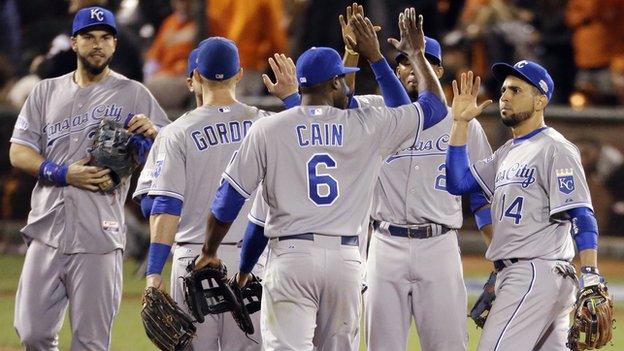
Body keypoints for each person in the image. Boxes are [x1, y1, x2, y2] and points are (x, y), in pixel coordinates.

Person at [196, 9, 449, 350]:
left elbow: (229, 198)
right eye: (343, 77)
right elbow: (433, 108)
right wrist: (400, 55)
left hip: (290, 257)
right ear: (333, 84)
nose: (347, 82)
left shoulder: (269, 128)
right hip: (345, 261)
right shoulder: (366, 126)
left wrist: (211, 251)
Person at [9, 7, 169, 350]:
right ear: (74, 43)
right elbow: (18, 152)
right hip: (47, 229)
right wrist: (63, 172)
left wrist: (154, 133)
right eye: (89, 37)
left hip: (100, 234)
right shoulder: (44, 92)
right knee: (32, 333)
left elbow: (172, 144)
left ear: (113, 44)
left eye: (105, 38)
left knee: (91, 342)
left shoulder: (135, 94)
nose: (98, 45)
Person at [135, 37, 299, 350]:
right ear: (239, 74)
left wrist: (154, 271)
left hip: (193, 260)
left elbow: (165, 206)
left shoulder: (175, 134)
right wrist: (292, 98)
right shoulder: (264, 125)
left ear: (195, 77)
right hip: (250, 261)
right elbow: (307, 141)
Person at [346, 31, 493, 351]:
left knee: (448, 345)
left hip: (440, 247)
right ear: (396, 70)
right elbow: (339, 102)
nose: (413, 68)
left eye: (423, 61)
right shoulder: (374, 112)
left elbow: (482, 196)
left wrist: (499, 258)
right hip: (385, 245)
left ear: (438, 72)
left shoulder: (464, 120)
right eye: (404, 62)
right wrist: (352, 52)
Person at [445, 62, 606, 350]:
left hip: (534, 273)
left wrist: (591, 273)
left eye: (516, 90)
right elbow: (457, 183)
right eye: (504, 89)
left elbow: (581, 212)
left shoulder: (555, 148)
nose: (505, 96)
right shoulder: (506, 153)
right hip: (526, 274)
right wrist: (460, 124)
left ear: (541, 100)